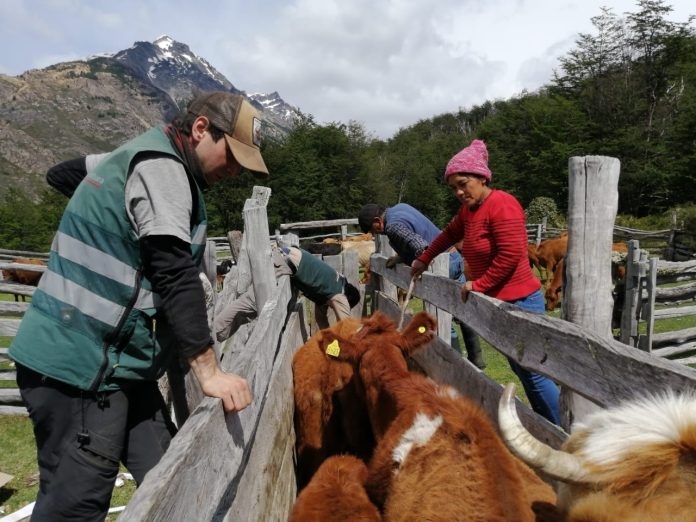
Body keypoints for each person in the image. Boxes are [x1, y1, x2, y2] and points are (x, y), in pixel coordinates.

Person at [9, 91, 268, 520]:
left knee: (167, 474)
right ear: (202, 129)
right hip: (82, 368)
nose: (235, 171)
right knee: (77, 504)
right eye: (232, 155)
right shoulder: (161, 167)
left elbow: (63, 173)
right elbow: (173, 272)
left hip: (120, 366)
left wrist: (116, 209)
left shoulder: (138, 158)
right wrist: (210, 371)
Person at [411, 139, 561, 425]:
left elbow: (511, 255)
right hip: (502, 301)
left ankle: (561, 431)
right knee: (520, 367)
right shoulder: (469, 211)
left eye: (463, 183)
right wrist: (425, 258)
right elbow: (448, 234)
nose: (458, 191)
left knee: (532, 370)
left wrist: (479, 284)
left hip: (520, 301)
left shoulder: (502, 205)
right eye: (453, 186)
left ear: (482, 178)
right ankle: (549, 425)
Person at [357, 202, 485, 369]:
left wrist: (419, 264)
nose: (375, 234)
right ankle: (477, 358)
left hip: (441, 265)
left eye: (373, 230)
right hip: (453, 257)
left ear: (377, 220)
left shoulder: (393, 226)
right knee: (462, 309)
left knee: (443, 315)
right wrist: (401, 258)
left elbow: (422, 247)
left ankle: (455, 365)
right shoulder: (400, 208)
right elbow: (418, 234)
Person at [214, 246, 361, 341]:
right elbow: (347, 325)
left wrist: (330, 346)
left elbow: (321, 320)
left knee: (250, 312)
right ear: (347, 299)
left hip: (287, 257)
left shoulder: (330, 288)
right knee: (250, 303)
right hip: (284, 262)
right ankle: (213, 333)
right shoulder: (338, 294)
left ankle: (219, 336)